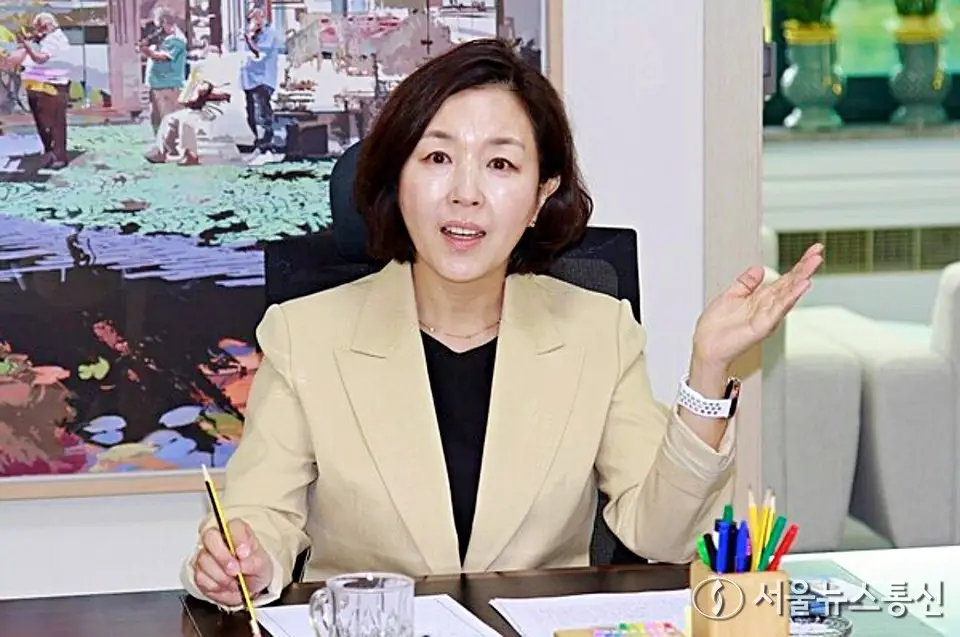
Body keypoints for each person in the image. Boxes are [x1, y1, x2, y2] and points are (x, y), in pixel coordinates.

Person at [182, 38, 823, 609]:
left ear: (541, 195)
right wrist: (245, 559)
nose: (465, 193)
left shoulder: (599, 331)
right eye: (437, 157)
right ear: (398, 178)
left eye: (500, 164)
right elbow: (262, 514)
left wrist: (708, 371)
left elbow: (664, 536)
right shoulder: (304, 335)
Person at [5, 13, 72, 169]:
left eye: (38, 28)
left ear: (46, 26)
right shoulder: (43, 39)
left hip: (52, 85)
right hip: (37, 84)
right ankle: (50, 153)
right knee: (42, 122)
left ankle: (58, 156)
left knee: (54, 122)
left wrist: (27, 46)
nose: (36, 31)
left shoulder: (55, 39)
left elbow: (40, 59)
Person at [240, 7, 281, 166]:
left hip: (262, 80)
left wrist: (249, 39)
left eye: (258, 18)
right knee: (250, 115)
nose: (255, 22)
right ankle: (258, 145)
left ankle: (266, 148)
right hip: (249, 81)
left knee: (261, 115)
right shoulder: (251, 35)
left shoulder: (268, 34)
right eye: (252, 19)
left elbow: (259, 55)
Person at [140, 7, 187, 135]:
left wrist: (146, 50)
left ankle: (172, 146)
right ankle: (161, 145)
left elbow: (163, 57)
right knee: (157, 121)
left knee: (169, 122)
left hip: (167, 86)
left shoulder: (176, 39)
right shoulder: (162, 38)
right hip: (157, 86)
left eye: (159, 25)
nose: (158, 29)